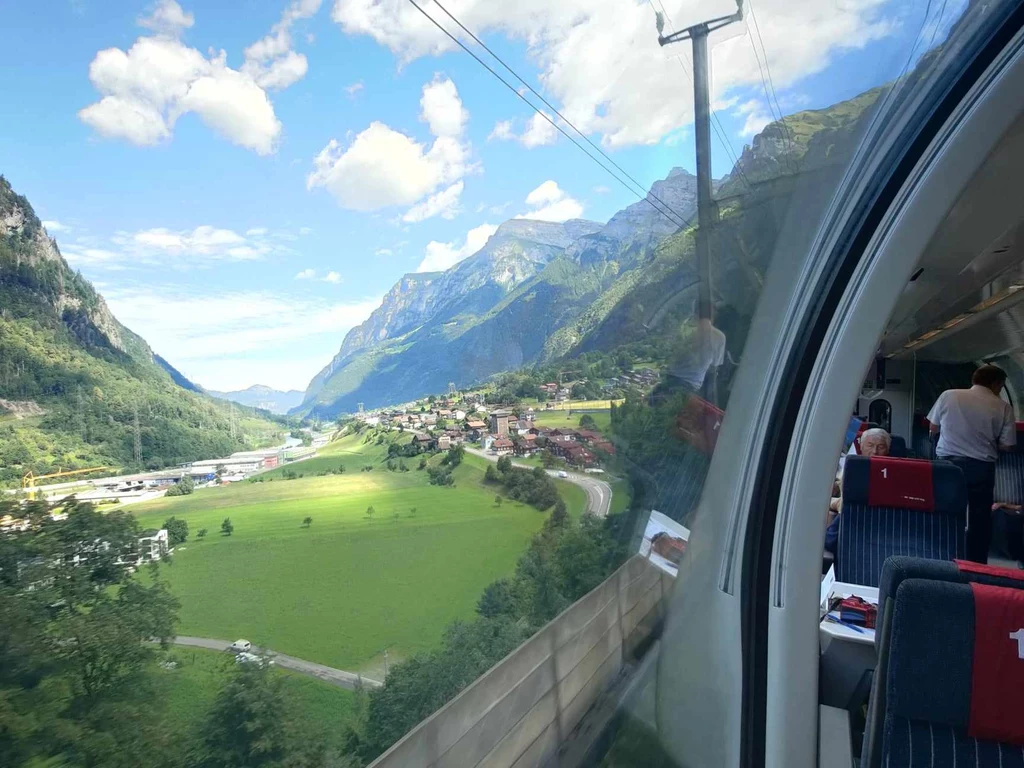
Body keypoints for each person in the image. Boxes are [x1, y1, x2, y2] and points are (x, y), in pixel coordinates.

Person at [927, 364, 1017, 563]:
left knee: (945, 512)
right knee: (980, 518)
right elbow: (1008, 445)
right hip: (981, 467)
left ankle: (944, 557)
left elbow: (933, 426)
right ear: (996, 384)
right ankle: (976, 563)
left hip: (948, 465)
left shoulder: (948, 395)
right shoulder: (1003, 407)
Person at [825, 428, 891, 557]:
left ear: (887, 450)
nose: (875, 451)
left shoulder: (894, 472)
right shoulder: (850, 467)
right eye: (870, 445)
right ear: (861, 447)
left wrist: (834, 503)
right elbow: (836, 489)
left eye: (880, 447)